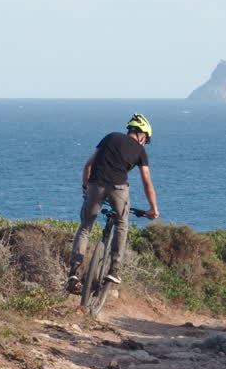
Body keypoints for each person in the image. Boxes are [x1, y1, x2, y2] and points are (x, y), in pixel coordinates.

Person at [66, 114, 159, 294]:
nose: (144, 142)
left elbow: (88, 166)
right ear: (142, 135)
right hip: (118, 188)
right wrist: (153, 208)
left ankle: (73, 273)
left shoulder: (110, 137)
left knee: (85, 226)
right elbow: (147, 181)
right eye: (145, 139)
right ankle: (114, 270)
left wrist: (86, 188)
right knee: (121, 224)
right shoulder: (140, 151)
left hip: (95, 185)